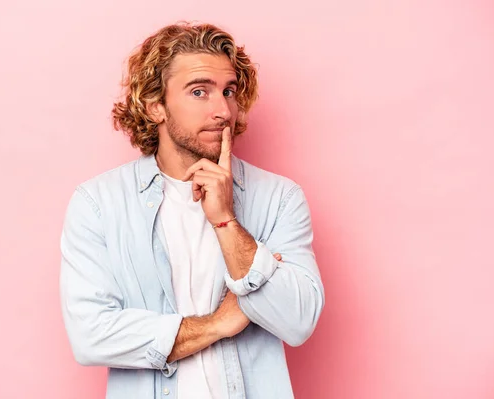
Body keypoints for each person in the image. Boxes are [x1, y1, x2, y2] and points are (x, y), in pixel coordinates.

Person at [59, 22, 325, 399]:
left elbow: (298, 321)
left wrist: (225, 220)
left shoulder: (279, 198)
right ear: (155, 106)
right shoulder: (98, 203)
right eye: (200, 91)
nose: (223, 110)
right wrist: (219, 324)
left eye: (229, 91)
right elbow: (90, 336)